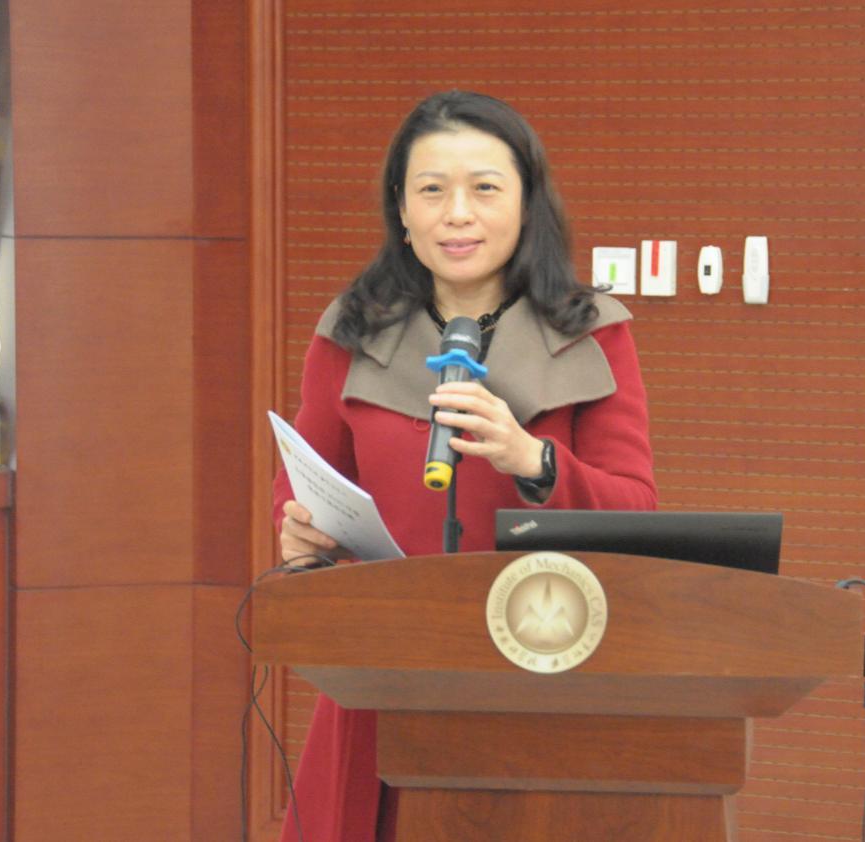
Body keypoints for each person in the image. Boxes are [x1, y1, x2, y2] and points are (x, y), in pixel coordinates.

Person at [273, 90, 657, 842]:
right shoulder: (350, 330)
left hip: (543, 664)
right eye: (431, 190)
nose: (457, 214)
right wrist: (298, 535)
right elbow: (306, 482)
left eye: (484, 188)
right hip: (384, 671)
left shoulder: (592, 332)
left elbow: (636, 508)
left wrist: (531, 458)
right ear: (401, 210)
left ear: (526, 204)